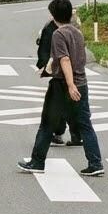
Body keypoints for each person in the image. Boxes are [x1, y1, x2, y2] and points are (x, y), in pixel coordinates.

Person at [18, 0, 104, 177]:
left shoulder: (58, 34)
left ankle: (37, 162)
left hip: (62, 85)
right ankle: (95, 163)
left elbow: (64, 59)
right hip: (82, 83)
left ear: (53, 15)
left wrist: (70, 84)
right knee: (85, 124)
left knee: (47, 124)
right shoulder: (77, 33)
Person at [34, 18, 81, 147]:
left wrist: (45, 67)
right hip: (77, 74)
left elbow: (52, 53)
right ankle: (77, 135)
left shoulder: (52, 28)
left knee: (57, 107)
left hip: (62, 74)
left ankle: (56, 135)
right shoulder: (75, 26)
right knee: (73, 106)